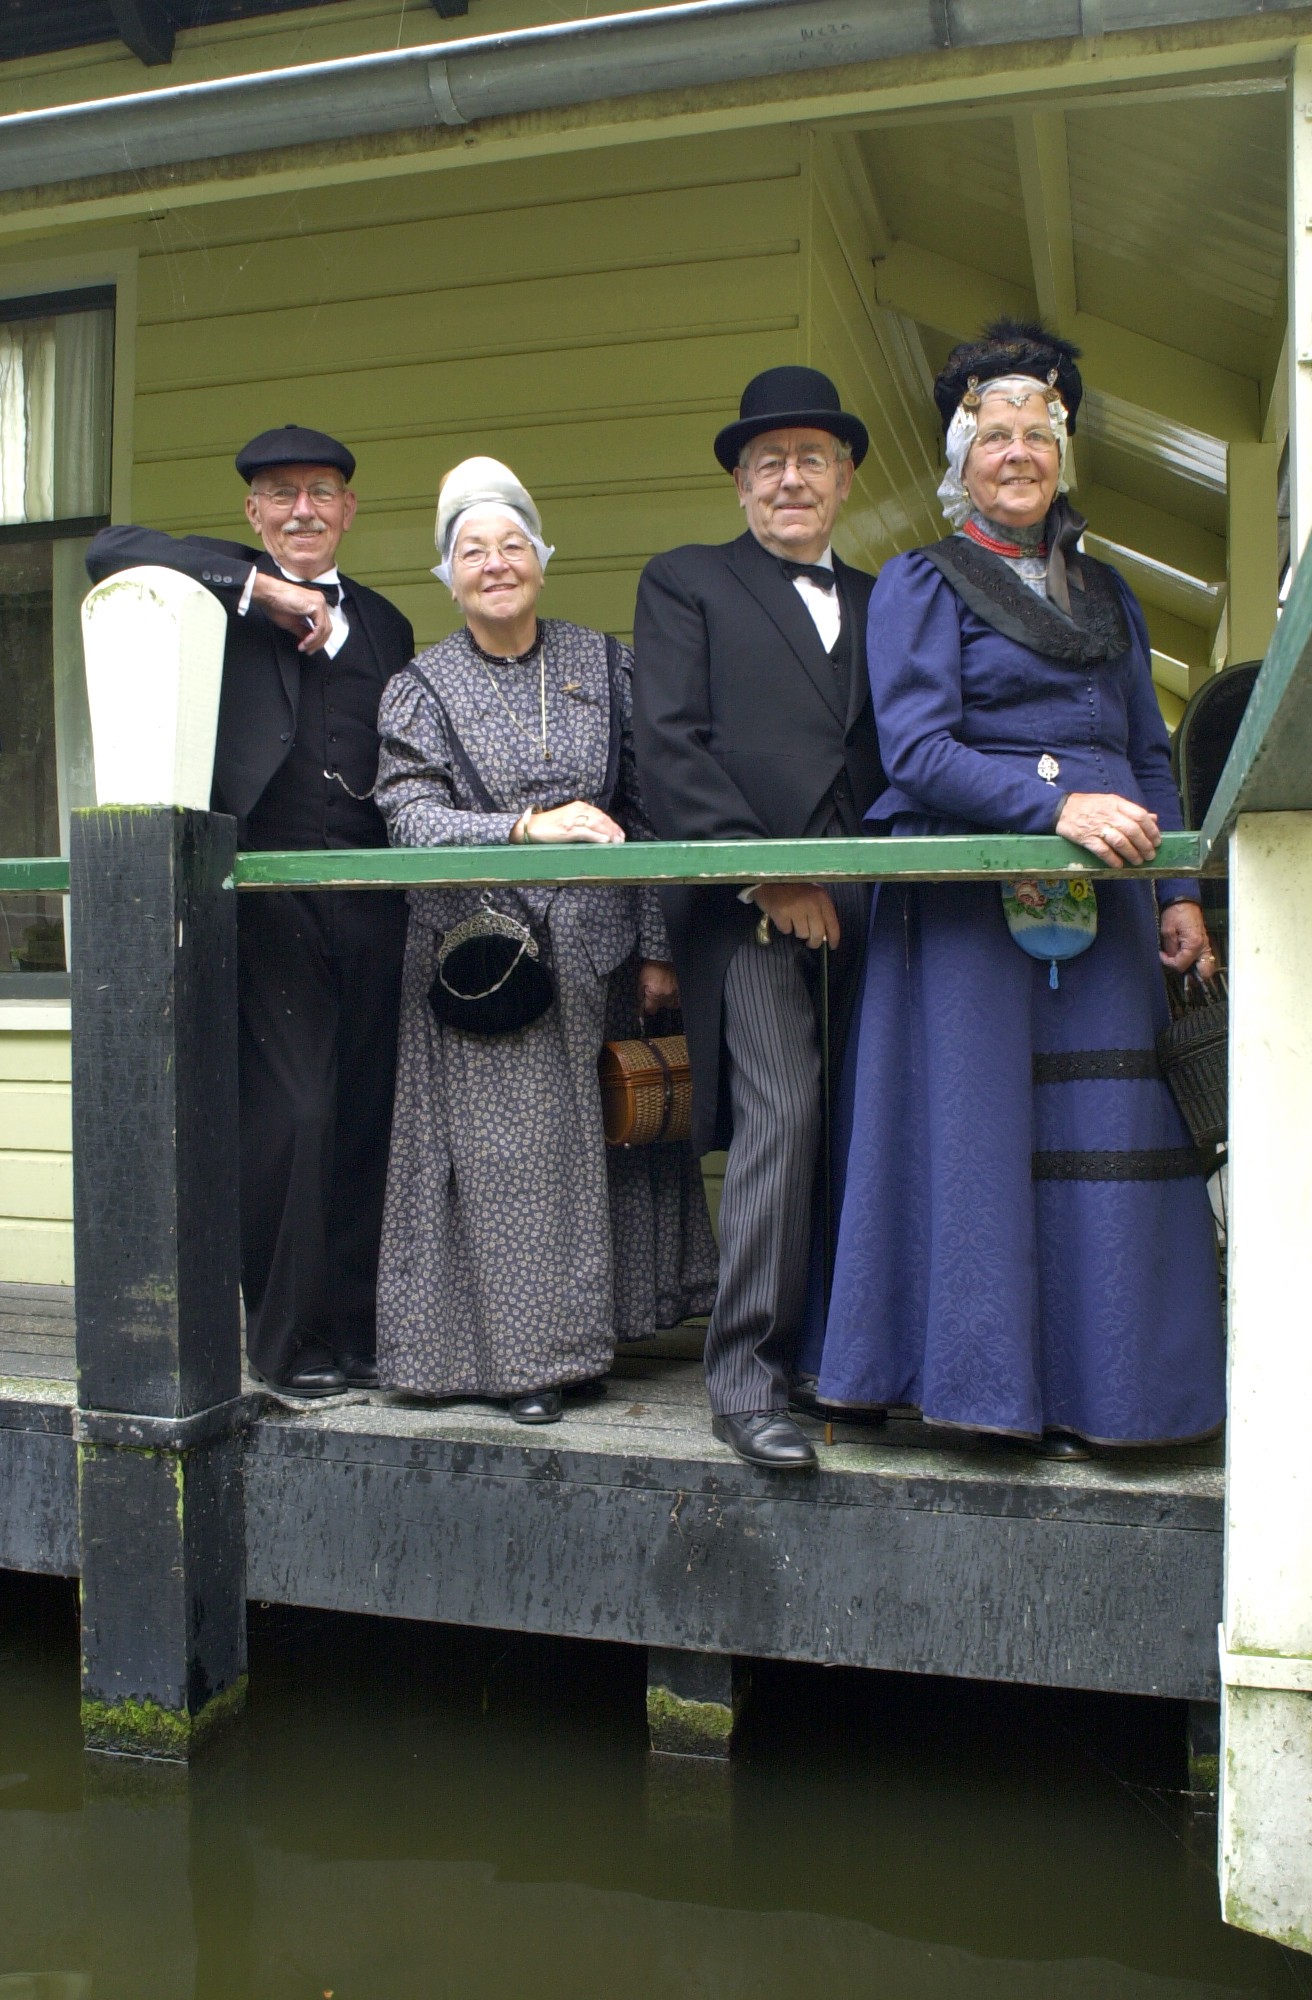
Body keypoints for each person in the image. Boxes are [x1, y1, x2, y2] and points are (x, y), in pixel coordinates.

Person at [809, 320, 1226, 1456]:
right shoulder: (920, 584)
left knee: (1105, 1131)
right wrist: (1053, 807)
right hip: (968, 905)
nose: (1017, 451)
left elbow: (1150, 755)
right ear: (961, 459)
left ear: (1062, 452)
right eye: (993, 433)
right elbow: (918, 751)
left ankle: (1117, 1397)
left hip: (1112, 907)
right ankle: (981, 1390)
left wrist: (1179, 890)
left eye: (1037, 431)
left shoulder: (1113, 597)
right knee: (978, 1136)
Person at [373, 457, 717, 1424]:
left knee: (600, 1149)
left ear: (541, 557)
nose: (495, 563)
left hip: (601, 955)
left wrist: (654, 946)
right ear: (449, 576)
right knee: (513, 1164)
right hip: (487, 960)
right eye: (471, 551)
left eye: (511, 544)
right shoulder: (420, 689)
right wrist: (526, 829)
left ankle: (590, 1338)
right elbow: (411, 824)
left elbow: (649, 813)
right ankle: (526, 1364)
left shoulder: (604, 663)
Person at [86, 425, 413, 1397]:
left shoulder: (390, 624)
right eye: (281, 493)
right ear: (253, 512)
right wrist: (259, 589)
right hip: (263, 898)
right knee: (296, 1120)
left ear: (351, 508)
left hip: (370, 897)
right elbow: (110, 551)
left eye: (321, 492)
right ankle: (283, 1344)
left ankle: (354, 1332)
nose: (303, 509)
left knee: (361, 1120)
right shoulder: (214, 593)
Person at [632, 367, 886, 1471]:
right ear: (741, 481)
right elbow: (670, 746)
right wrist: (774, 875)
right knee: (782, 1119)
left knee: (867, 1124)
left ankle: (850, 1358)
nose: (790, 478)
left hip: (877, 911)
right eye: (768, 461)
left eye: (811, 459)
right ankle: (745, 1380)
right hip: (748, 906)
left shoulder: (891, 599)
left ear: (843, 478)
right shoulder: (687, 581)